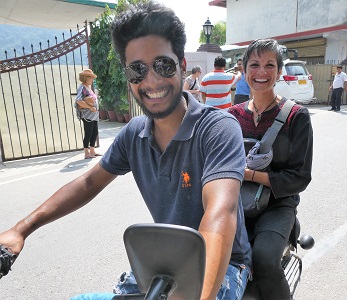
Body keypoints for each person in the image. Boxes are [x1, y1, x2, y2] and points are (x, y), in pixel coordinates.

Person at [0, 2, 252, 300]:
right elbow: (88, 182)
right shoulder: (134, 133)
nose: (152, 80)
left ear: (182, 66)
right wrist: (22, 229)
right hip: (166, 258)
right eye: (137, 70)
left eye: (163, 65)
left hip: (225, 264)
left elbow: (220, 212)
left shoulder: (217, 129)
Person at [228, 38, 313, 300]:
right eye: (254, 65)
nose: (261, 72)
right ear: (244, 70)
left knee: (264, 260)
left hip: (277, 204)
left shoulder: (296, 116)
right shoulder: (231, 116)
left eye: (269, 65)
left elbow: (300, 177)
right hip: (235, 203)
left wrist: (250, 174)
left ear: (278, 71)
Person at [75, 69, 102, 159]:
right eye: (91, 78)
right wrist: (90, 107)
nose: (92, 80)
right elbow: (78, 101)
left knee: (94, 132)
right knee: (88, 133)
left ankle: (92, 151)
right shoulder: (82, 87)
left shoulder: (88, 87)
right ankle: (86, 153)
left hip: (93, 115)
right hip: (87, 115)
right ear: (86, 78)